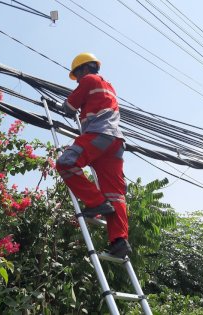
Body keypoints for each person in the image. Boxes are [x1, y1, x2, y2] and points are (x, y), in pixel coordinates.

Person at [55, 52, 131, 258]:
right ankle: (119, 241)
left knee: (65, 163)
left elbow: (70, 106)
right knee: (115, 193)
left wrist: (60, 106)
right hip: (115, 142)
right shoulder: (109, 86)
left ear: (84, 69)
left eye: (77, 75)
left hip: (99, 134)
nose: (77, 80)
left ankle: (95, 202)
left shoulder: (89, 80)